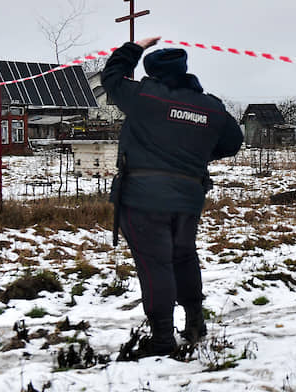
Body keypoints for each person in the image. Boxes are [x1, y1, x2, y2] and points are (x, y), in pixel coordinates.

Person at [102, 36, 243, 357]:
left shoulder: (144, 96)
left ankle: (163, 339)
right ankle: (195, 323)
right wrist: (195, 154)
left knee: (155, 264)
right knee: (183, 256)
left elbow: (111, 77)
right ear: (184, 70)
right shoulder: (210, 105)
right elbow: (233, 142)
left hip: (142, 196)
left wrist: (133, 48)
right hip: (189, 195)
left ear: (152, 73)